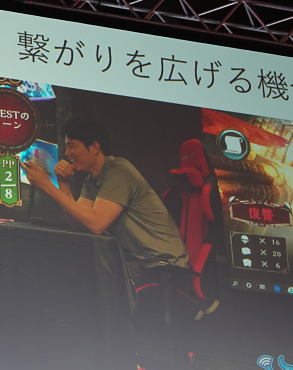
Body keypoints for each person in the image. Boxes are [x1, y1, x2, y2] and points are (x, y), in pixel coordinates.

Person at [23, 116, 188, 284]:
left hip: (166, 265)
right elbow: (77, 223)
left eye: (72, 146)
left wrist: (47, 186)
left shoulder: (119, 172)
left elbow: (97, 224)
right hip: (141, 262)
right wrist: (62, 183)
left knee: (88, 277)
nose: (67, 153)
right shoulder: (92, 180)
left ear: (95, 147)